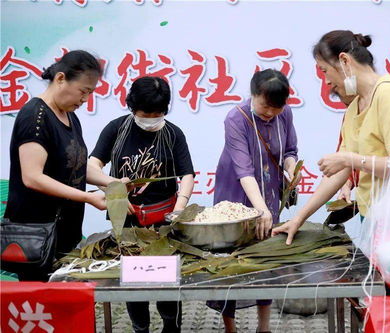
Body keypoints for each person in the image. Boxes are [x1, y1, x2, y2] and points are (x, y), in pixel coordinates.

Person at [273, 30, 390, 295]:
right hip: (379, 216)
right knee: (387, 300)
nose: (326, 81)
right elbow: (340, 173)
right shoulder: (356, 107)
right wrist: (300, 218)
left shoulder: (388, 94)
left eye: (324, 71)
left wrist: (350, 159)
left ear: (344, 61)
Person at [88, 76, 195, 333]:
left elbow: (187, 175)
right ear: (132, 107)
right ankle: (140, 328)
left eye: (157, 113)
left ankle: (171, 325)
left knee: (167, 282)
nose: (151, 118)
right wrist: (114, 191)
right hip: (126, 223)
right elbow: (92, 166)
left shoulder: (173, 134)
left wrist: (179, 209)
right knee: (133, 283)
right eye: (145, 113)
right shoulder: (116, 129)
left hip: (164, 223)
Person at [207, 69, 300, 333]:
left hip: (269, 190)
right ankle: (230, 328)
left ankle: (264, 327)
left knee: (265, 256)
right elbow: (243, 170)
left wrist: (291, 169)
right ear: (253, 94)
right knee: (231, 259)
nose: (270, 113)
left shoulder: (286, 113)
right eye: (265, 106)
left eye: (276, 108)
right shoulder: (236, 118)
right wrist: (259, 209)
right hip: (236, 193)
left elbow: (290, 150)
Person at [4, 50, 109, 282]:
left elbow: (75, 165)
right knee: (41, 309)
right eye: (83, 91)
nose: (85, 99)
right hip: (37, 238)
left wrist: (110, 183)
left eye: (90, 93)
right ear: (60, 79)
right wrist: (88, 198)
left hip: (64, 233)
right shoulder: (35, 116)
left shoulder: (69, 116)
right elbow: (32, 177)